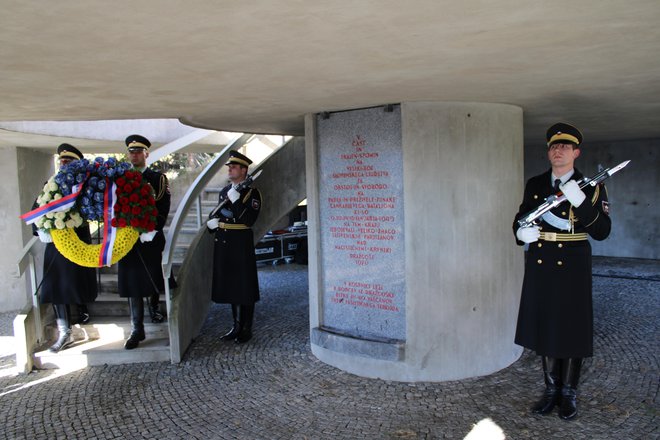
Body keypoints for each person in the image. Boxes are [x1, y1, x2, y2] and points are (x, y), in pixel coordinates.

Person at [512, 122, 612, 420]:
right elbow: (522, 216)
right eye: (554, 146)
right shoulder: (536, 184)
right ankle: (551, 390)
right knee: (546, 325)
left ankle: (568, 393)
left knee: (571, 327)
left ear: (576, 152)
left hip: (572, 262)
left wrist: (580, 201)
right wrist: (520, 233)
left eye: (565, 146)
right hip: (541, 260)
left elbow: (603, 232)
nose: (558, 150)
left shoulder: (592, 187)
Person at [35, 143, 98, 352]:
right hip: (55, 244)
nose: (64, 164)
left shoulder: (85, 186)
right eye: (62, 161)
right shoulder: (49, 186)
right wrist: (41, 229)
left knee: (76, 281)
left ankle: (82, 308)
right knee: (57, 285)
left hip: (76, 241)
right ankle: (65, 331)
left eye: (68, 161)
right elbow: (37, 211)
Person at [118, 134, 171, 349]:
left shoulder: (157, 178)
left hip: (148, 237)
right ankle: (136, 329)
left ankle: (154, 305)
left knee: (150, 276)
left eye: (138, 151)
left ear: (146, 154)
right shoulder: (121, 177)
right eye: (131, 151)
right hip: (127, 239)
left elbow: (163, 206)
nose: (135, 155)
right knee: (132, 282)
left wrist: (152, 228)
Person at [207, 150, 261, 344]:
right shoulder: (224, 191)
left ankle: (246, 328)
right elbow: (219, 215)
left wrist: (236, 199)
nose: (230, 169)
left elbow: (248, 220)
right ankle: (236, 325)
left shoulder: (252, 193)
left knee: (244, 286)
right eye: (229, 167)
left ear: (244, 170)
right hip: (224, 243)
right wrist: (212, 225)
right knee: (231, 286)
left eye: (234, 166)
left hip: (240, 245)